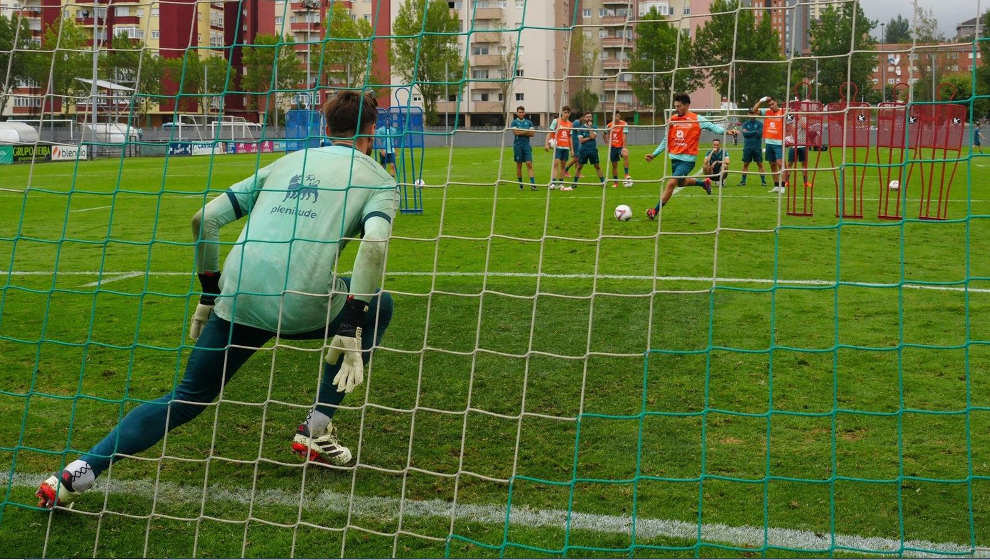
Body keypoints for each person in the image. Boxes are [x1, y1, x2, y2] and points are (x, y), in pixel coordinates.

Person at [36, 91, 399, 509]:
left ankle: (74, 475)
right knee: (382, 304)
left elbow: (205, 218)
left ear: (325, 127)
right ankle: (315, 427)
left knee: (185, 398)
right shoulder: (379, 179)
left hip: (237, 295)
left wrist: (210, 293)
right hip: (303, 304)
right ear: (372, 130)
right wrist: (353, 324)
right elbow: (373, 243)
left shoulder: (288, 162)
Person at [643, 93, 738, 218]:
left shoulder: (697, 119)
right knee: (681, 183)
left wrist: (728, 132)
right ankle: (704, 184)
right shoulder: (672, 120)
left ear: (687, 105)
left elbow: (714, 128)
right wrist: (654, 154)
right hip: (674, 159)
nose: (677, 109)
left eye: (679, 106)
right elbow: (666, 140)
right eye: (675, 106)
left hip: (687, 161)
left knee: (671, 183)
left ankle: (654, 211)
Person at [563, 111, 605, 191]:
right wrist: (590, 137)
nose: (589, 118)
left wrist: (589, 130)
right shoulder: (581, 127)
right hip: (583, 150)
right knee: (579, 167)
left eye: (590, 117)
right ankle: (574, 184)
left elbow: (593, 136)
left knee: (597, 166)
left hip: (593, 150)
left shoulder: (595, 126)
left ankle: (603, 182)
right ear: (584, 118)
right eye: (587, 117)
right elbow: (581, 140)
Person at [752, 95, 786, 193]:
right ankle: (776, 185)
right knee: (772, 165)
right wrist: (761, 100)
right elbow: (754, 110)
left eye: (772, 104)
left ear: (776, 103)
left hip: (779, 143)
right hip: (769, 142)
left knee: (780, 164)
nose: (771, 106)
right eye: (769, 105)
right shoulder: (767, 112)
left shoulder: (783, 112)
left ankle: (783, 186)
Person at [545, 106, 573, 190]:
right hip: (557, 146)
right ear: (562, 113)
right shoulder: (556, 121)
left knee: (563, 166)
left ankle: (561, 183)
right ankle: (553, 183)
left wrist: (572, 150)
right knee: (556, 163)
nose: (566, 114)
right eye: (565, 112)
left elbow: (570, 137)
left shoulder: (570, 124)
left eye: (568, 112)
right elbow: (550, 132)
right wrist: (546, 143)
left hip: (566, 147)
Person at [510, 106, 537, 190]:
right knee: (519, 165)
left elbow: (532, 134)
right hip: (518, 146)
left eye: (522, 112)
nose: (521, 113)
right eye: (519, 112)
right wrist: (526, 131)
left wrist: (521, 131)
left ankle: (533, 185)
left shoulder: (529, 122)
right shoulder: (514, 122)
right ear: (517, 113)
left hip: (526, 145)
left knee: (529, 164)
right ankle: (521, 185)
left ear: (524, 113)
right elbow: (516, 133)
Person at [739, 109, 767, 186]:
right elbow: (745, 134)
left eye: (753, 113)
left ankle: (763, 181)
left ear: (756, 114)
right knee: (745, 164)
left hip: (757, 148)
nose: (752, 115)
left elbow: (759, 134)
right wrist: (754, 132)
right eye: (750, 113)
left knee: (760, 164)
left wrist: (749, 132)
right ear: (748, 114)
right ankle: (743, 181)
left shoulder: (760, 124)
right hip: (747, 147)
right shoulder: (745, 124)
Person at [606, 112, 633, 188]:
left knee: (625, 155)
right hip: (613, 147)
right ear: (612, 116)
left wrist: (624, 147)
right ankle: (616, 183)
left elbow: (624, 136)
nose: (617, 117)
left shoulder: (624, 124)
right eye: (615, 115)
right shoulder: (609, 125)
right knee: (614, 165)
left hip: (621, 146)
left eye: (618, 115)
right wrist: (607, 142)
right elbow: (604, 133)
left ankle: (626, 174)